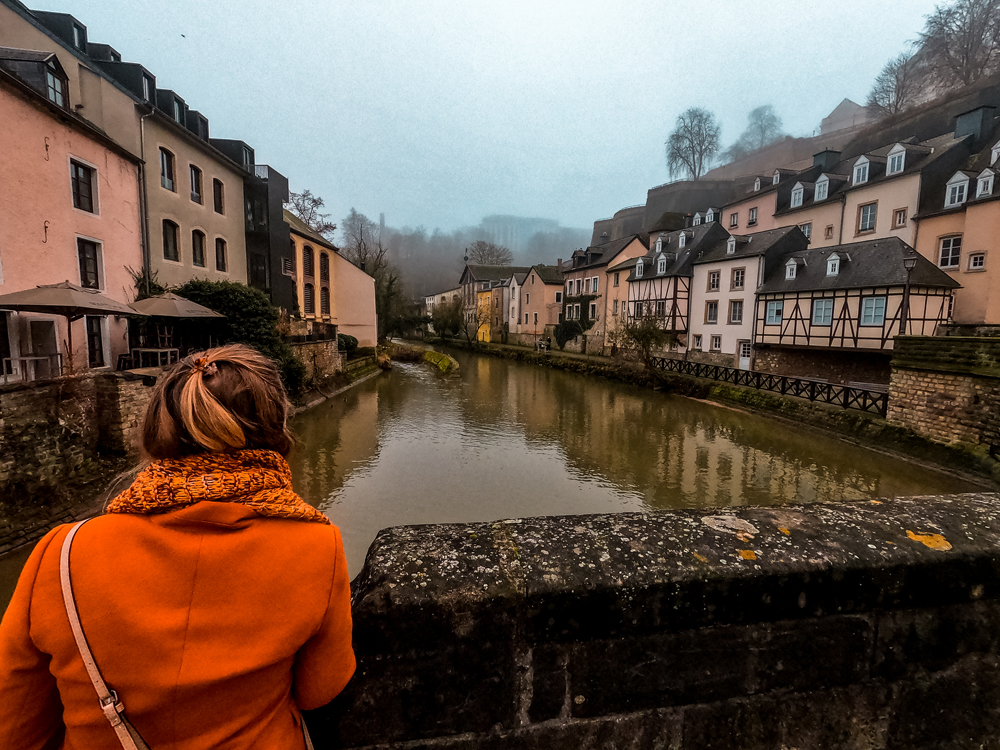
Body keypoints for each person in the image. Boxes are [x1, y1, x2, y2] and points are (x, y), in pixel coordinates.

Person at [0, 344, 355, 750]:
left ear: (158, 427)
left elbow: (16, 726)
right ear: (276, 426)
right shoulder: (316, 544)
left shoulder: (62, 553)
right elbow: (321, 689)